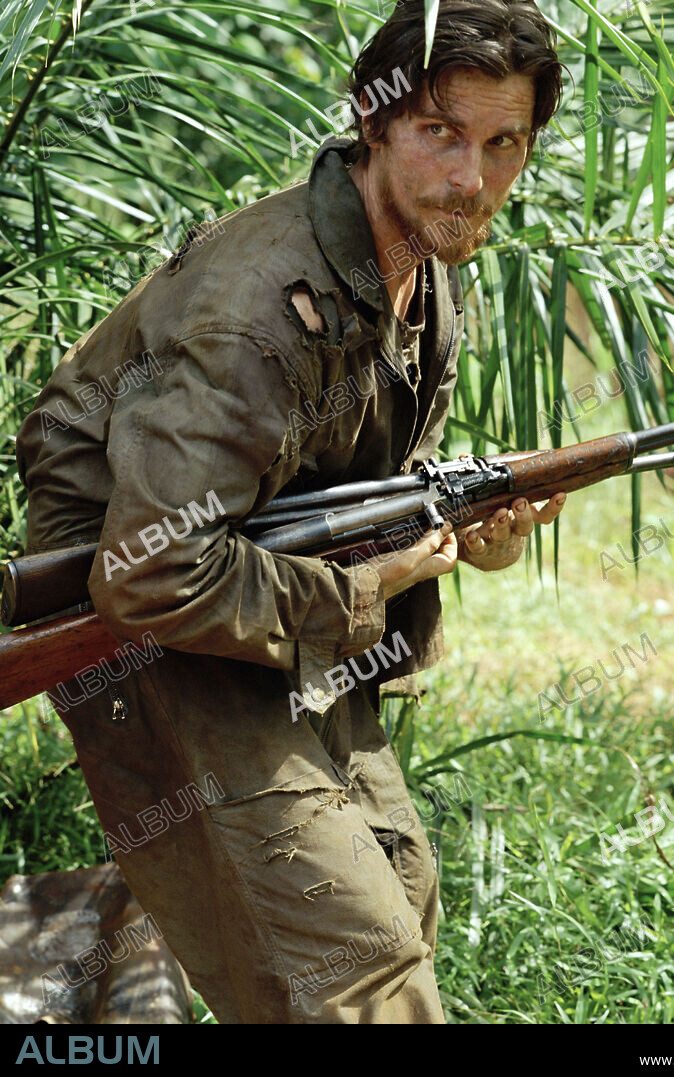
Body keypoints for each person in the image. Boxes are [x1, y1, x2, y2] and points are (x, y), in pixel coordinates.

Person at [14, 0, 566, 1023]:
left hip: (268, 577)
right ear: (375, 119)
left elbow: (367, 475)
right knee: (346, 957)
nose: (472, 180)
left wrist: (464, 536)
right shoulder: (256, 310)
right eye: (442, 134)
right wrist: (370, 585)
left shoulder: (429, 269)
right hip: (135, 613)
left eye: (503, 146)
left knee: (399, 898)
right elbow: (147, 571)